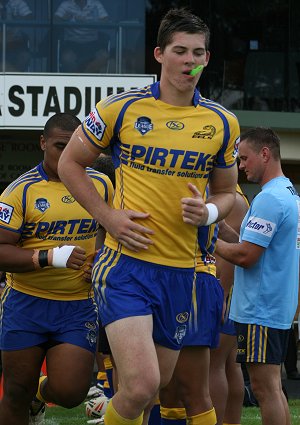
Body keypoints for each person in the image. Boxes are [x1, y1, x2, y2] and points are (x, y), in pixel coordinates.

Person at [57, 8, 239, 425]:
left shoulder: (221, 122)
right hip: (125, 265)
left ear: (207, 59)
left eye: (198, 52)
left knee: (150, 391)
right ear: (159, 54)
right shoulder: (120, 108)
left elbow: (228, 193)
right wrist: (108, 217)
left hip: (181, 273)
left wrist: (209, 210)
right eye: (180, 51)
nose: (189, 61)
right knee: (140, 383)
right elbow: (70, 163)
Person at [0, 113, 114, 425]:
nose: (65, 154)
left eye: (71, 146)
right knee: (15, 391)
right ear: (42, 143)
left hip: (77, 305)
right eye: (58, 146)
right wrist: (46, 258)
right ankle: (29, 397)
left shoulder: (102, 184)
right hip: (26, 302)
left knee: (70, 392)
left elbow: (113, 232)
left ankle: (41, 394)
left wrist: (101, 259)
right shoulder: (20, 191)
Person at [215, 127, 300, 425]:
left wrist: (207, 240)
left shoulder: (269, 200)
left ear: (265, 154)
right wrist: (223, 231)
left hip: (260, 310)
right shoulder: (287, 193)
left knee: (265, 389)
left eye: (244, 158)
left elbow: (247, 256)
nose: (240, 166)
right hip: (274, 307)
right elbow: (254, 245)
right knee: (273, 387)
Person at [159, 216, 224, 425]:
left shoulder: (197, 186)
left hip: (192, 278)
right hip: (161, 276)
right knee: (163, 389)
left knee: (193, 391)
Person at [209, 185, 249, 425]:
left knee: (213, 365)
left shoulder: (230, 198)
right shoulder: (230, 194)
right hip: (227, 290)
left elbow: (232, 253)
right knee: (228, 364)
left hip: (224, 290)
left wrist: (222, 294)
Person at [54, 0, 110, 73]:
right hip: (72, 42)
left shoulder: (95, 3)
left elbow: (106, 19)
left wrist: (94, 20)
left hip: (93, 42)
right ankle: (77, 78)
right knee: (66, 58)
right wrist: (64, 19)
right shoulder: (66, 4)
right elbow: (54, 20)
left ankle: (84, 74)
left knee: (104, 56)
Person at [0, 0, 33, 71]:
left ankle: (16, 77)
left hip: (14, 42)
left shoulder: (17, 2)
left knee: (25, 56)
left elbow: (29, 16)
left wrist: (14, 31)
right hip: (1, 41)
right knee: (3, 66)